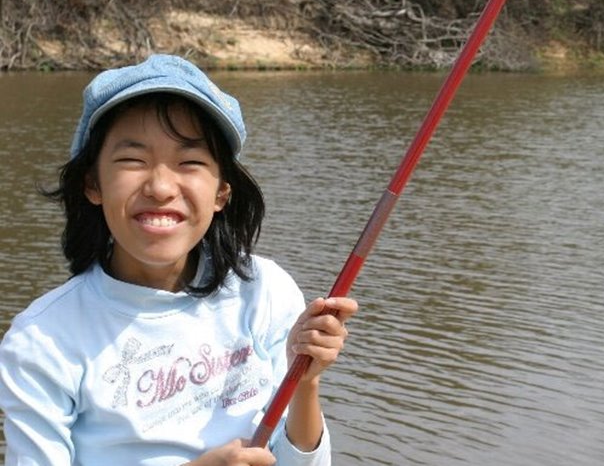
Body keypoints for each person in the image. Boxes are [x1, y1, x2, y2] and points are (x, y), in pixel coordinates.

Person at [0, 54, 358, 465]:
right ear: (93, 183)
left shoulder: (266, 291)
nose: (161, 187)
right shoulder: (42, 339)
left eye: (190, 162)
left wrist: (305, 384)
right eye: (133, 160)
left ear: (222, 192)